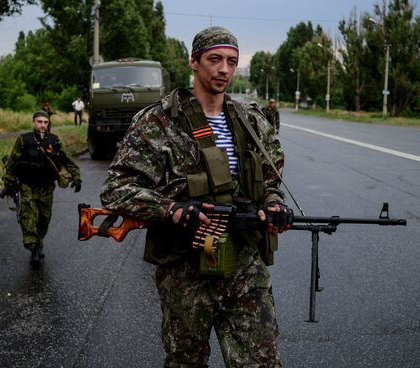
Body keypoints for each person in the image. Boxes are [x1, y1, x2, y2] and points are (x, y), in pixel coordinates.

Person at [100, 26, 291, 367]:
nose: (224, 70)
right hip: (184, 268)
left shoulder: (250, 120)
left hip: (245, 262)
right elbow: (116, 189)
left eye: (232, 62)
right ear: (194, 62)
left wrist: (275, 205)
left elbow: (269, 178)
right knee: (186, 362)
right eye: (215, 59)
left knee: (262, 362)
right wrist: (171, 209)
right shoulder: (158, 122)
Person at [1, 111, 82, 268]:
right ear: (33, 122)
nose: (42, 125)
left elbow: (68, 159)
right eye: (39, 121)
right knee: (29, 217)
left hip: (46, 187)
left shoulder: (55, 141)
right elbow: (12, 161)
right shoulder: (24, 140)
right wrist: (9, 182)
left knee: (44, 218)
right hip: (27, 185)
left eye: (45, 122)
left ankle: (39, 243)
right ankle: (33, 250)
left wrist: (77, 177)